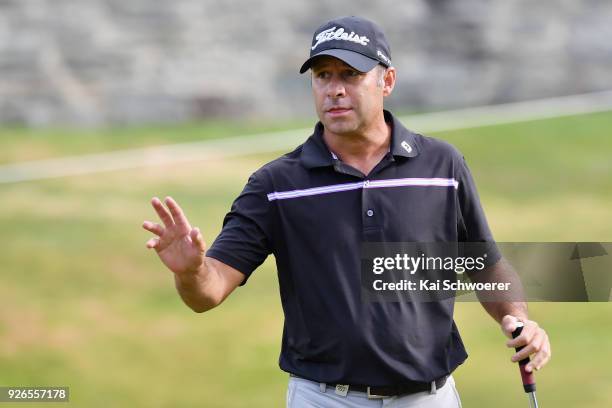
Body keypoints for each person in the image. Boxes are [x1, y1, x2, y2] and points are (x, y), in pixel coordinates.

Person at [142, 16, 551, 408]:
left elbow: (485, 264)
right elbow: (208, 293)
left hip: (429, 399)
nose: (334, 89)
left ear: (386, 80)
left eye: (350, 75)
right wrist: (190, 271)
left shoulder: (442, 167)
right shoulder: (276, 185)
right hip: (323, 399)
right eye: (323, 76)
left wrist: (517, 319)